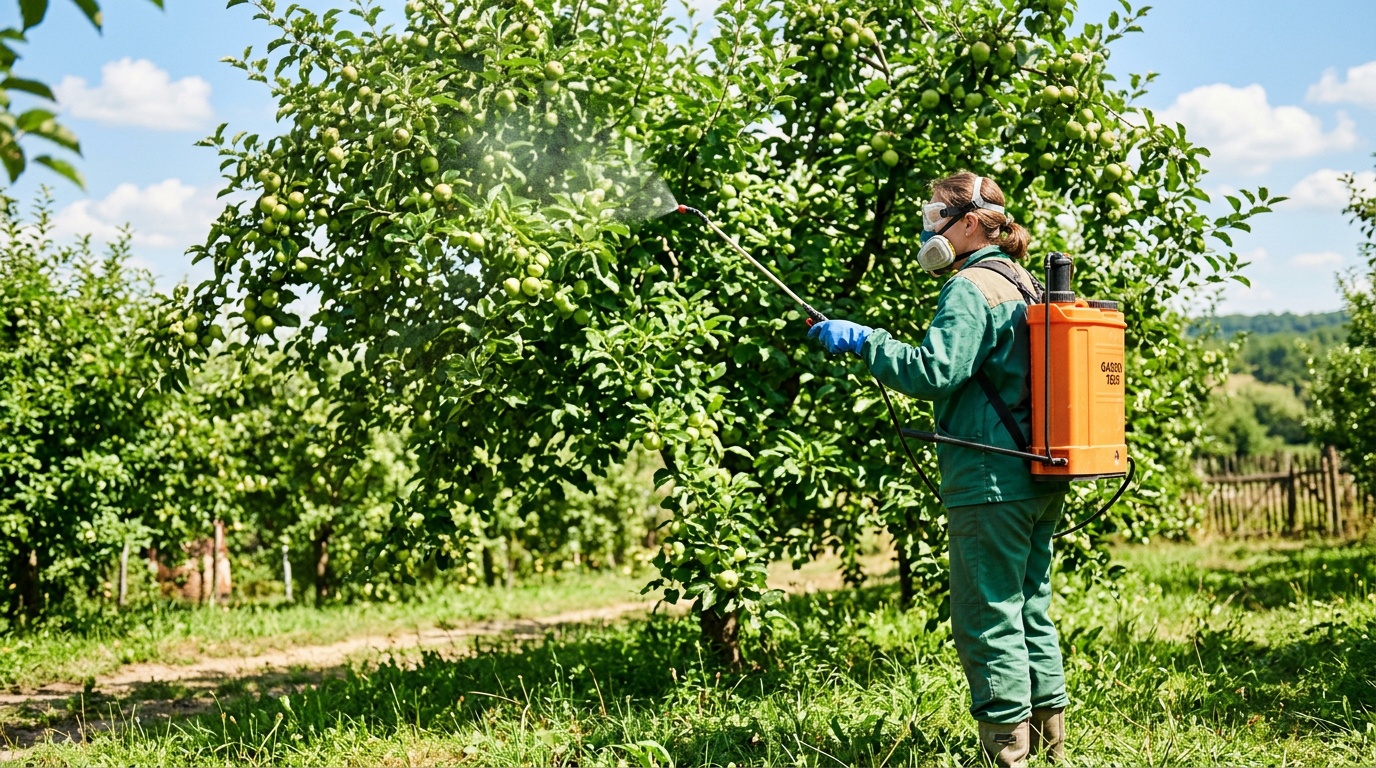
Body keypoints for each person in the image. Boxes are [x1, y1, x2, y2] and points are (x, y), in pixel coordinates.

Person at [808, 172, 1071, 767]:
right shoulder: (1024, 283)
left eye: (938, 215)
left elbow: (935, 372)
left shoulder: (970, 287)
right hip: (1038, 473)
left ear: (974, 222)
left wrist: (864, 341)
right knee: (1029, 605)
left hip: (989, 477)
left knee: (988, 614)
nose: (930, 228)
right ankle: (1053, 748)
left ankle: (1010, 755)